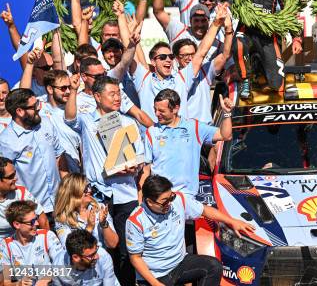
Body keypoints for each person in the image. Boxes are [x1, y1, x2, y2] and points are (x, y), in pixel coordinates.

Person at [65, 75, 145, 286]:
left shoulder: (128, 122)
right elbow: (70, 119)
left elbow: (141, 158)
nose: (117, 97)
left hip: (126, 194)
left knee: (127, 249)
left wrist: (132, 167)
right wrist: (73, 91)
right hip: (99, 196)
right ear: (97, 96)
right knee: (104, 247)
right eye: (112, 94)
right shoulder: (86, 120)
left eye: (118, 93)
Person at [126, 175, 255, 286]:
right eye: (164, 202)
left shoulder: (179, 200)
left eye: (171, 197)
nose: (170, 203)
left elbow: (205, 210)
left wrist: (232, 221)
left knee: (214, 266)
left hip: (179, 262)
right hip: (155, 274)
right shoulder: (136, 221)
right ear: (149, 201)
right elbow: (135, 258)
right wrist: (156, 284)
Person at [130, 4, 226, 122]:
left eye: (170, 56)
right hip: (155, 138)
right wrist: (127, 30)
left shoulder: (181, 79)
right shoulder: (145, 79)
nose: (168, 60)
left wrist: (216, 23)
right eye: (162, 57)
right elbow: (131, 56)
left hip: (182, 137)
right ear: (153, 61)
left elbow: (201, 52)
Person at [142, 89, 233, 197]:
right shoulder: (151, 132)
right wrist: (142, 199)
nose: (157, 114)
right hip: (159, 197)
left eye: (161, 111)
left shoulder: (193, 127)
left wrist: (227, 113)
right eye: (155, 109)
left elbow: (225, 135)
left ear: (175, 108)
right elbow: (146, 169)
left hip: (187, 197)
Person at [0, 88, 67, 218]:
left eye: (37, 104)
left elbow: (59, 156)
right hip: (33, 210)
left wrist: (68, 190)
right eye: (33, 106)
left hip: (61, 203)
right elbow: (6, 179)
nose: (38, 109)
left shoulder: (46, 123)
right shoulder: (5, 141)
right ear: (19, 111)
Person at [20, 51, 82, 173]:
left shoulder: (76, 106)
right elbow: (22, 96)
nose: (68, 91)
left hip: (75, 173)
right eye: (63, 88)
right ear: (49, 89)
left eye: (69, 87)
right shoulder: (40, 106)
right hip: (50, 175)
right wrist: (29, 64)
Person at [0, 200, 65, 285]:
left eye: (36, 219)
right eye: (32, 222)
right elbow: (5, 283)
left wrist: (46, 278)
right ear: (17, 224)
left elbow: (62, 267)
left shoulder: (47, 236)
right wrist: (18, 284)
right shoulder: (6, 246)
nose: (37, 223)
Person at [77, 57, 153, 129]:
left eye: (103, 74)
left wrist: (157, 132)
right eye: (97, 76)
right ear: (84, 77)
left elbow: (139, 114)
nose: (102, 79)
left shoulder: (116, 92)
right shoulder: (76, 101)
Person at [55, 173, 119, 250]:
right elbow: (70, 250)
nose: (89, 190)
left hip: (102, 259)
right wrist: (89, 228)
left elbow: (113, 244)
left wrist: (104, 224)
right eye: (85, 189)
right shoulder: (62, 219)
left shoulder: (100, 208)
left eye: (89, 186)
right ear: (73, 193)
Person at [0, 157, 48, 238]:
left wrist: (46, 242)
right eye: (11, 176)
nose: (16, 178)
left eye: (14, 174)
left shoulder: (21, 192)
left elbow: (43, 220)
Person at [55, 229, 120, 286]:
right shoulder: (57, 266)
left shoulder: (104, 257)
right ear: (76, 257)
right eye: (91, 255)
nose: (97, 257)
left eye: (96, 250)